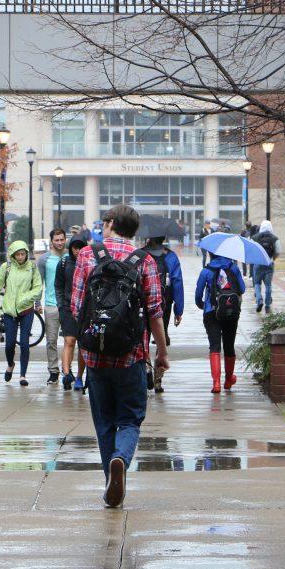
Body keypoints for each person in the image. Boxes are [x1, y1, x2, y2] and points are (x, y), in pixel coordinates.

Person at [71, 205, 168, 508]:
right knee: (130, 419)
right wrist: (162, 352)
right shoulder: (146, 261)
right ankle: (120, 460)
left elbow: (76, 308)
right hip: (131, 355)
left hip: (96, 356)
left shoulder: (88, 254)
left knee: (104, 422)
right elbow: (154, 313)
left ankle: (110, 480)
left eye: (103, 223)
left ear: (112, 223)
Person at [0, 240, 43, 387]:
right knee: (9, 344)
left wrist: (25, 299)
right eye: (18, 254)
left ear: (27, 254)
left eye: (23, 254)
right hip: (10, 311)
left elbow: (38, 288)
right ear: (13, 255)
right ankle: (10, 364)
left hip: (26, 310)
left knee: (25, 344)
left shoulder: (32, 267)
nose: (20, 257)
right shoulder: (6, 267)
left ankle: (22, 375)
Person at [195, 251, 246, 394]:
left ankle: (216, 383)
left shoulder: (206, 270)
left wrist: (202, 305)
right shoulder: (233, 268)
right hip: (231, 312)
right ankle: (229, 379)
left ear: (210, 254)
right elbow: (242, 289)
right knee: (229, 345)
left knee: (214, 346)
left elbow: (198, 294)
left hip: (211, 312)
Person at [141, 235, 184, 392]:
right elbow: (177, 281)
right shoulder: (171, 256)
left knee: (143, 337)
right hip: (163, 303)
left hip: (142, 302)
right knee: (161, 338)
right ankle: (158, 378)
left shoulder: (140, 254)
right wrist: (179, 309)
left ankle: (146, 367)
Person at [35, 228, 67, 384]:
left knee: (70, 341)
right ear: (51, 241)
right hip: (51, 305)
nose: (59, 242)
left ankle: (67, 370)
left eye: (62, 239)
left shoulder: (72, 256)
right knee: (51, 340)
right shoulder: (44, 260)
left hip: (68, 305)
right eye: (57, 240)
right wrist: (37, 302)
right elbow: (38, 283)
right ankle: (53, 371)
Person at [58, 234, 88, 391]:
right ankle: (66, 374)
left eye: (81, 247)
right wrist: (61, 305)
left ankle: (79, 377)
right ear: (70, 248)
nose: (78, 251)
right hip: (68, 308)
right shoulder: (64, 262)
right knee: (69, 341)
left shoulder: (90, 262)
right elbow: (59, 285)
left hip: (85, 309)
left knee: (83, 345)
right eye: (75, 248)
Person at [250, 220, 280, 314]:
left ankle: (259, 300)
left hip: (258, 264)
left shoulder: (254, 238)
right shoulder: (275, 238)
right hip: (269, 264)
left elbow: (251, 249)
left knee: (257, 284)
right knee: (268, 285)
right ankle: (267, 306)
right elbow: (278, 251)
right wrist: (272, 259)